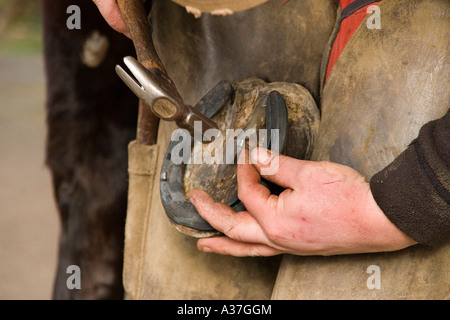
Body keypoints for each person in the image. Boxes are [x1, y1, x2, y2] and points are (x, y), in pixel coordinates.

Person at [92, 0, 449, 257]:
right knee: (184, 283)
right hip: (211, 15)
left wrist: (411, 198)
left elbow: (412, 197)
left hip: (413, 28)